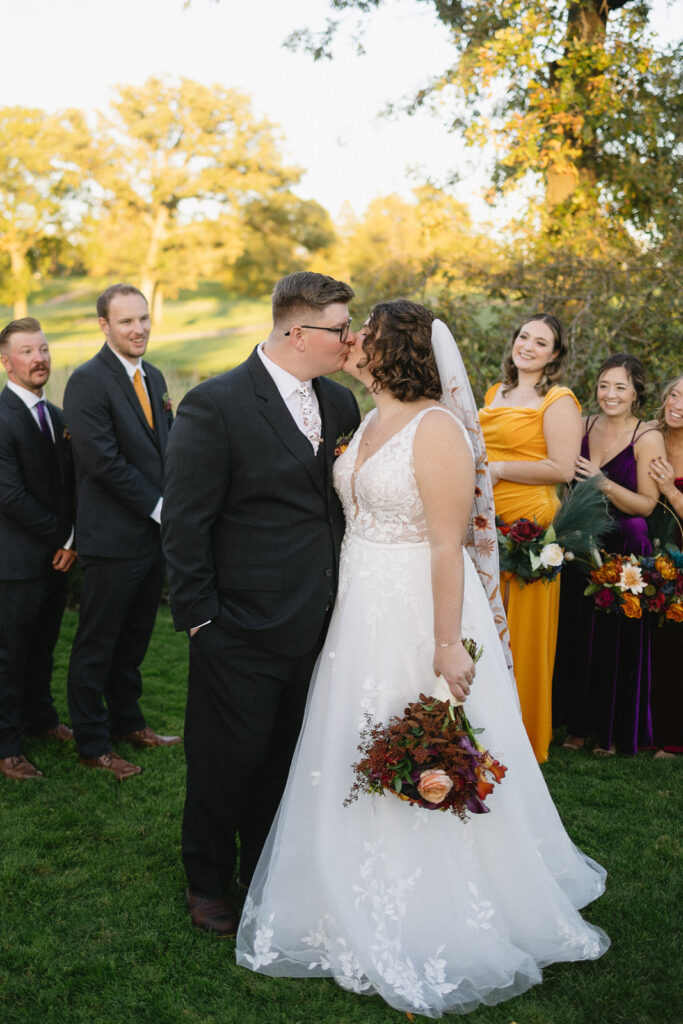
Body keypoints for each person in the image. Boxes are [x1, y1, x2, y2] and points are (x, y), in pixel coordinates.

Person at [236, 301, 609, 1017]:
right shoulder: (366, 420)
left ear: (393, 350)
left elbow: (446, 545)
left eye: (362, 336)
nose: (350, 342)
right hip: (359, 604)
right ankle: (337, 881)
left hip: (418, 605)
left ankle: (441, 895)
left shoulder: (437, 429)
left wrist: (444, 644)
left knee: (420, 727)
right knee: (349, 733)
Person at [162, 271, 361, 936]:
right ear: (297, 331)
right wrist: (201, 620)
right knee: (225, 760)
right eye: (339, 329)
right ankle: (207, 881)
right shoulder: (213, 404)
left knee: (285, 758)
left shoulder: (339, 405)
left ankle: (264, 869)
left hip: (318, 622)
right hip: (236, 626)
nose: (350, 339)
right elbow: (186, 525)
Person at [63, 284, 179, 782]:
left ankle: (129, 723)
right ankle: (92, 743)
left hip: (151, 539)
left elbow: (164, 447)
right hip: (112, 540)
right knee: (97, 646)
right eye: (127, 321)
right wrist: (158, 507)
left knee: (133, 643)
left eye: (144, 319)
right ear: (104, 326)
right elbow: (102, 461)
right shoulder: (87, 381)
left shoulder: (151, 376)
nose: (139, 329)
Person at [478, 315, 581, 762]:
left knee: (522, 633)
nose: (528, 346)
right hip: (485, 519)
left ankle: (521, 740)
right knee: (482, 624)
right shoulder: (493, 393)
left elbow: (561, 468)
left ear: (554, 355)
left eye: (541, 343)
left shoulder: (559, 400)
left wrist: (497, 470)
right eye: (524, 336)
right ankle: (481, 730)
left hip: (530, 525)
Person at [555, 354, 666, 755]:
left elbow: (646, 506)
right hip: (581, 545)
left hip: (625, 549)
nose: (610, 394)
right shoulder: (583, 425)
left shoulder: (646, 436)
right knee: (579, 634)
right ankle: (578, 724)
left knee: (616, 640)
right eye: (604, 385)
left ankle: (614, 730)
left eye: (620, 387)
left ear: (636, 391)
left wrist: (602, 483)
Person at [0, 318, 76, 780]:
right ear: (7, 362)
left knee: (43, 647)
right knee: (8, 655)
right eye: (27, 351)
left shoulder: (59, 416)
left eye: (44, 349)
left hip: (55, 560)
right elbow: (9, 496)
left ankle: (41, 719)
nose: (39, 358)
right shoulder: (2, 417)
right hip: (14, 564)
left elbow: (68, 486)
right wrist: (65, 537)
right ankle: (8, 746)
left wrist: (73, 541)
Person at [647, 374, 683, 756]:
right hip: (646, 557)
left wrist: (671, 489)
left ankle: (672, 738)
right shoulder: (650, 436)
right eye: (675, 393)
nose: (678, 404)